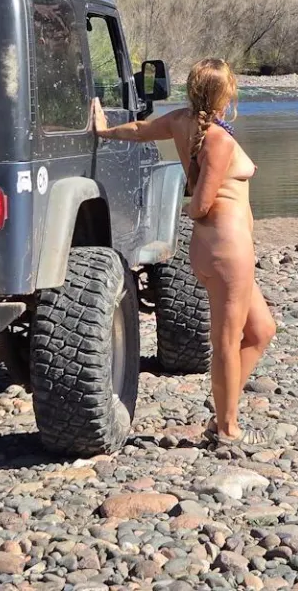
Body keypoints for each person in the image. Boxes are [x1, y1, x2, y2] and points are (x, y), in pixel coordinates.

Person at [90, 58, 276, 446]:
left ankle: (222, 413)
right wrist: (194, 202)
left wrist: (105, 130)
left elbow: (141, 130)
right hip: (227, 249)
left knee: (260, 330)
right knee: (227, 342)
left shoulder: (180, 121)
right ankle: (227, 429)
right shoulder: (218, 140)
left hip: (212, 248)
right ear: (225, 94)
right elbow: (200, 204)